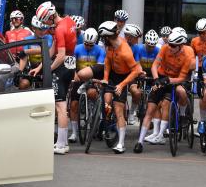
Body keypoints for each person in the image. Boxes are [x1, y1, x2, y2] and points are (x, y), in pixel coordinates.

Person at [134, 30, 195, 153]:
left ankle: (161, 135)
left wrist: (168, 80)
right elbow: (155, 65)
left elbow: (182, 78)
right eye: (169, 44)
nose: (170, 47)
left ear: (180, 46)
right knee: (150, 109)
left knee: (167, 103)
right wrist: (156, 79)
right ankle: (140, 142)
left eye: (173, 46)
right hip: (161, 78)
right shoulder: (164, 48)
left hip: (175, 81)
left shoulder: (187, 57)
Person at [31, 1, 77, 155]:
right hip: (71, 65)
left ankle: (61, 145)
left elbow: (60, 55)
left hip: (62, 66)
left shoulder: (59, 29)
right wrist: (39, 67)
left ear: (50, 17)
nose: (45, 25)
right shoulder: (69, 21)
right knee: (62, 104)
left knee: (60, 106)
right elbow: (53, 49)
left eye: (45, 21)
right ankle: (62, 143)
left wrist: (48, 70)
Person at [98, 21, 142, 154]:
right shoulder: (110, 45)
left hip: (123, 78)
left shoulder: (125, 51)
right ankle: (107, 122)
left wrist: (122, 85)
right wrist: (105, 78)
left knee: (118, 110)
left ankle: (121, 143)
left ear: (107, 36)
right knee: (106, 102)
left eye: (103, 37)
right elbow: (107, 62)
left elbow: (135, 71)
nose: (102, 40)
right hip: (112, 75)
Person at [68, 28, 105, 142]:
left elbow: (100, 67)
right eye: (86, 44)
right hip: (79, 77)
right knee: (74, 104)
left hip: (93, 78)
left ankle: (95, 116)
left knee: (92, 93)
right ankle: (74, 133)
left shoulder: (100, 50)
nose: (88, 46)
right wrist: (74, 74)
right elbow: (71, 64)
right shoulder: (77, 48)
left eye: (91, 45)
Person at [128, 29, 160, 124]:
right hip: (138, 73)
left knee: (156, 93)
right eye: (149, 45)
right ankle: (132, 112)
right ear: (145, 42)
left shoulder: (158, 51)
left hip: (151, 75)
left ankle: (152, 114)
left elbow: (159, 66)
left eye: (152, 46)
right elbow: (137, 62)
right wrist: (140, 72)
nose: (150, 48)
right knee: (136, 92)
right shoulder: (138, 48)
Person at [17, 16, 53, 89]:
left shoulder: (49, 37)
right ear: (33, 28)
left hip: (46, 69)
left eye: (44, 29)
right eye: (40, 29)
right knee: (23, 84)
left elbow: (46, 49)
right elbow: (24, 57)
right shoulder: (27, 39)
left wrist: (27, 51)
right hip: (33, 69)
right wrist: (20, 72)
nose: (43, 32)